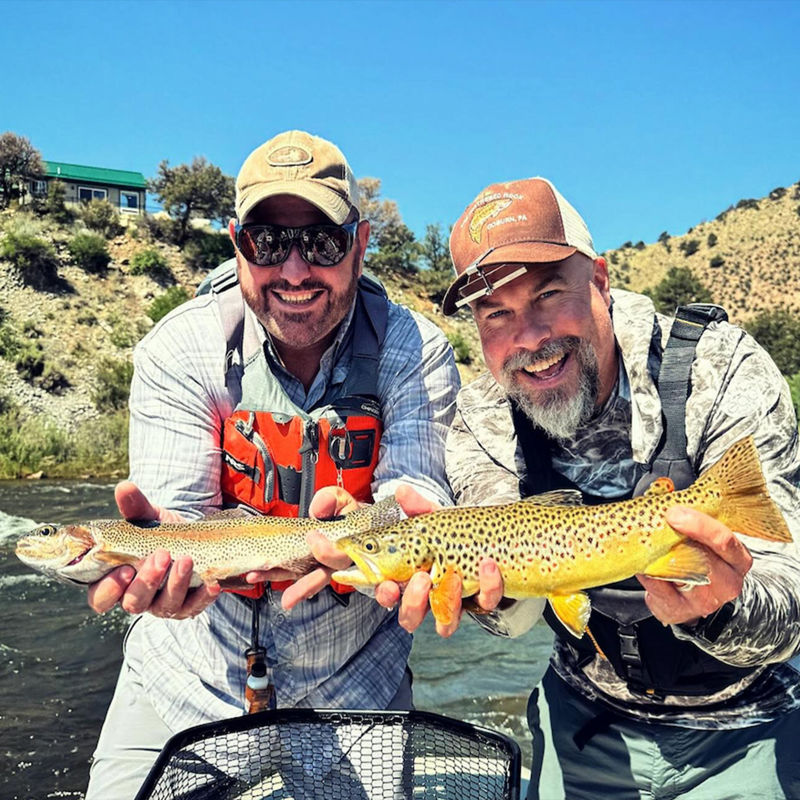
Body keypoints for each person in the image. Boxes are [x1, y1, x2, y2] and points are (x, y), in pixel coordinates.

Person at [378, 177, 800, 799]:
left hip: (751, 721)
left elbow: (791, 605)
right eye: (497, 313)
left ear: (600, 280)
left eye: (549, 294)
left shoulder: (721, 367)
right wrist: (479, 598)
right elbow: (514, 617)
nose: (529, 337)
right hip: (584, 719)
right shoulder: (482, 417)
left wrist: (720, 609)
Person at [83, 129, 460, 798]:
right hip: (190, 676)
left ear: (360, 245)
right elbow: (180, 519)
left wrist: (393, 517)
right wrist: (166, 562)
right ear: (237, 244)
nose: (293, 272)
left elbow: (415, 488)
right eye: (268, 243)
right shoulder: (182, 346)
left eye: (320, 243)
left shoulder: (414, 349)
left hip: (354, 680)